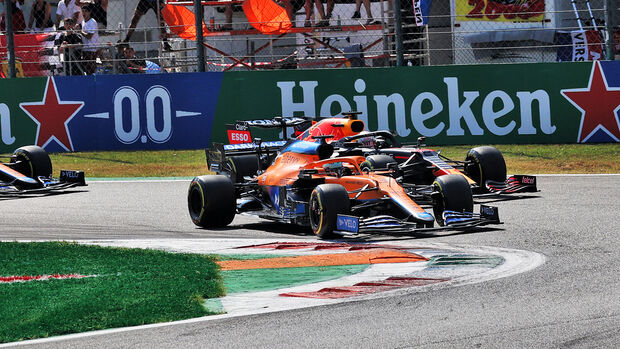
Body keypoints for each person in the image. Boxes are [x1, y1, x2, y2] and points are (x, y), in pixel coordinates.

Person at [80, 3, 98, 74]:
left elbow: (89, 36)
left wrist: (81, 32)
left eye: (85, 11)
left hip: (91, 48)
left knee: (91, 69)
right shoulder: (83, 22)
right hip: (85, 48)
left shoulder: (92, 22)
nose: (84, 13)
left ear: (89, 12)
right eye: (83, 11)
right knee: (86, 69)